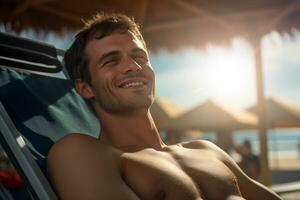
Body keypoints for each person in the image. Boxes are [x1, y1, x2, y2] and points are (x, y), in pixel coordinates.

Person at [47, 13, 282, 200]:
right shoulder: (81, 153)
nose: (133, 66)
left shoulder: (205, 149)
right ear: (85, 87)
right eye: (111, 60)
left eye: (139, 57)